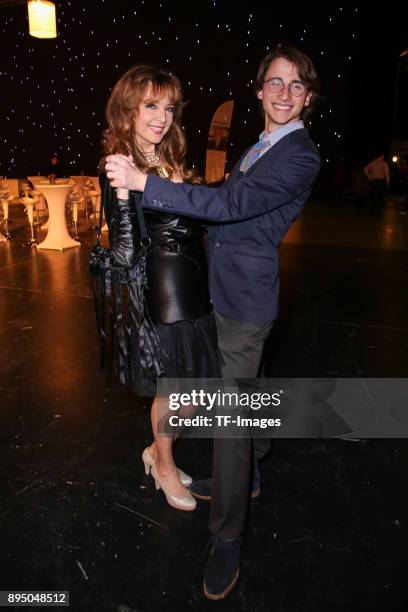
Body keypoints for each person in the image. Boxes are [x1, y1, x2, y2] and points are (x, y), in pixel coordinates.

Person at [106, 43, 321, 600]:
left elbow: (229, 206)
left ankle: (226, 535)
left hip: (244, 300)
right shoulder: (260, 145)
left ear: (308, 97)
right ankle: (250, 469)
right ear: (258, 92)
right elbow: (222, 199)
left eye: (295, 85)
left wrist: (146, 184)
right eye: (274, 82)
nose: (283, 92)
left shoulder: (299, 155)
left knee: (228, 416)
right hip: (213, 292)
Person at [98, 64, 220, 512]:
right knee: (174, 392)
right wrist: (128, 194)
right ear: (127, 109)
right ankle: (164, 467)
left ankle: (155, 450)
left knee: (197, 393)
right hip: (161, 291)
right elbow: (126, 243)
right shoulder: (120, 164)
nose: (162, 116)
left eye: (168, 107)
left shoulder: (165, 159)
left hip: (192, 285)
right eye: (151, 105)